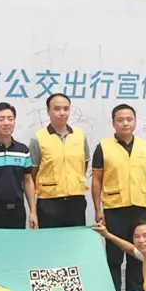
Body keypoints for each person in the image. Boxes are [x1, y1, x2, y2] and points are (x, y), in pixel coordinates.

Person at [91, 104, 146, 291]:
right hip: (114, 208)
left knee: (138, 255)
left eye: (129, 119)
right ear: (113, 123)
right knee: (114, 257)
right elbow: (97, 180)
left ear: (135, 121)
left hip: (139, 208)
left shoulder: (144, 146)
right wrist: (97, 209)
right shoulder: (103, 147)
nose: (125, 123)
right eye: (120, 120)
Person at [29, 94, 90, 228]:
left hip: (76, 200)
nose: (62, 113)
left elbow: (84, 164)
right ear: (48, 111)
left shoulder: (80, 136)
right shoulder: (38, 138)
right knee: (51, 240)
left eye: (66, 109)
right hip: (49, 202)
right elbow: (33, 172)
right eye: (57, 109)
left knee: (76, 239)